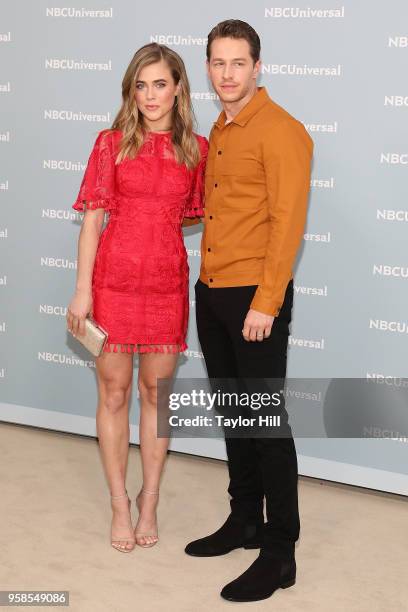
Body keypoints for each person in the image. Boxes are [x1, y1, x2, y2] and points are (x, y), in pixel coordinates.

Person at [184, 20, 313, 602]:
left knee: (265, 422)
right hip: (211, 290)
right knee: (236, 415)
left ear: (258, 66)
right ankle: (245, 520)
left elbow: (287, 225)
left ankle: (280, 550)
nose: (227, 74)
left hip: (252, 299)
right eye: (218, 63)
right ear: (208, 68)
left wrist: (266, 302)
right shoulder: (220, 127)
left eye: (238, 63)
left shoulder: (282, 131)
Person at [66, 42, 208, 553]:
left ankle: (149, 500)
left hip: (166, 288)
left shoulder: (197, 149)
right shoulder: (110, 144)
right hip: (111, 287)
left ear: (178, 89)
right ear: (131, 90)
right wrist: (82, 290)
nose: (150, 95)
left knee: (156, 397)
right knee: (113, 395)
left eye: (160, 84)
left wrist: (160, 233)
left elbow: (197, 214)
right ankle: (119, 504)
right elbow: (91, 223)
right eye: (140, 85)